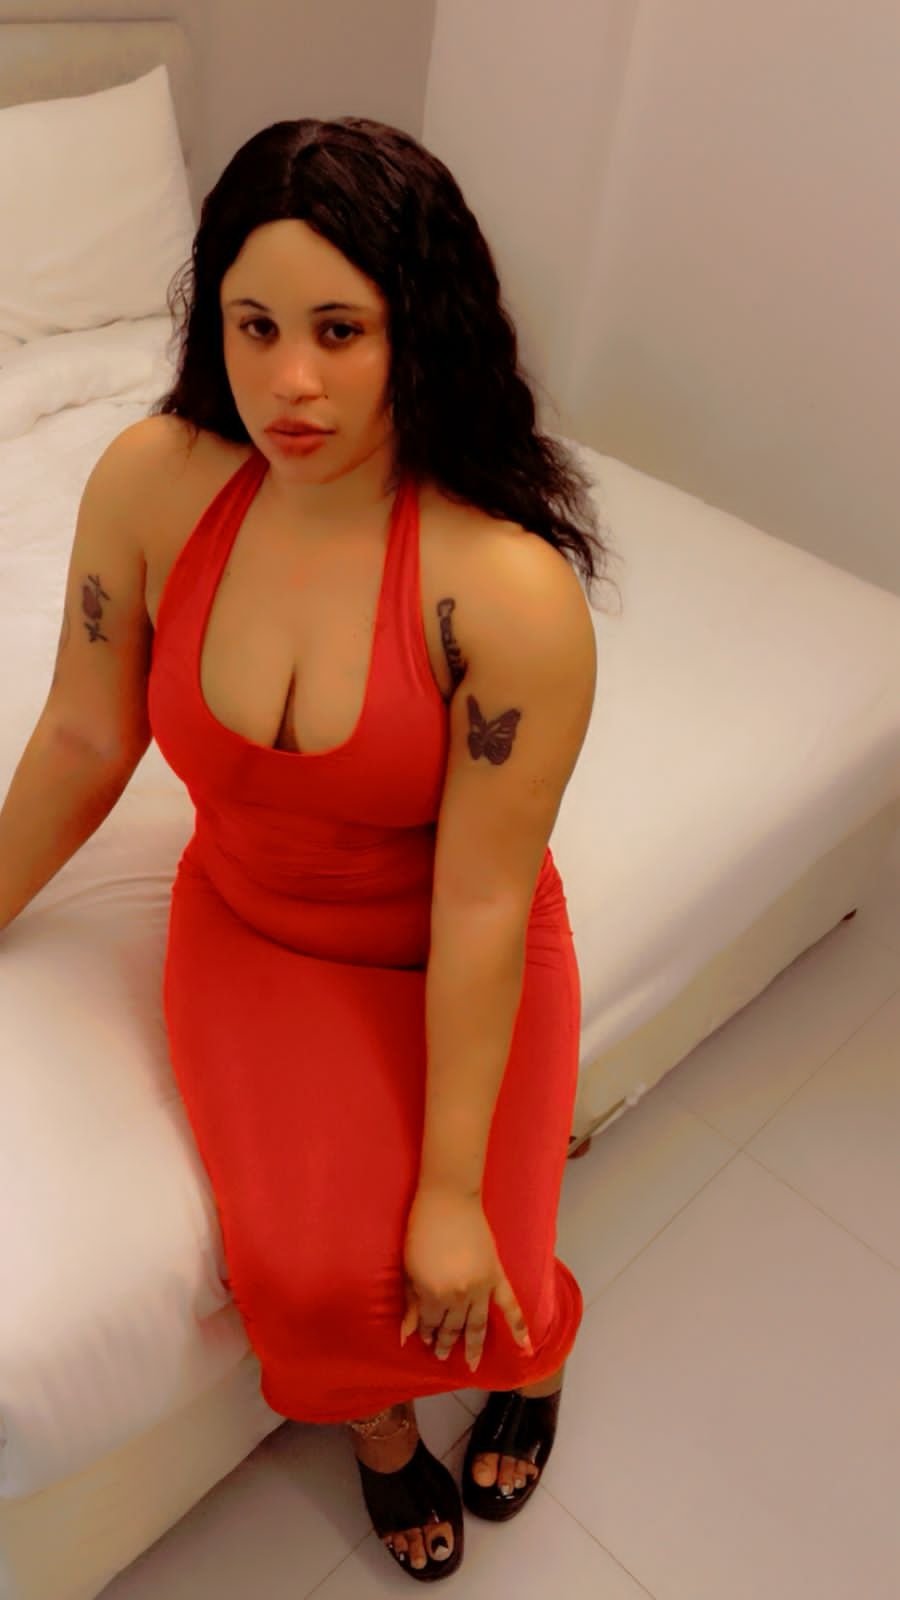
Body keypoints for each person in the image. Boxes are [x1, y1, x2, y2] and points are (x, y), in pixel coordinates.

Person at [10, 116, 618, 1583]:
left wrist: (453, 1190)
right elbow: (83, 737)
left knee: (484, 1272)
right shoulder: (152, 485)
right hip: (252, 928)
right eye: (255, 325)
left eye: (340, 332)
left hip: (452, 942)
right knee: (300, 1271)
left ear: (421, 329)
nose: (290, 381)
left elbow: (483, 898)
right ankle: (380, 1433)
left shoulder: (504, 592)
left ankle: (538, 1358)